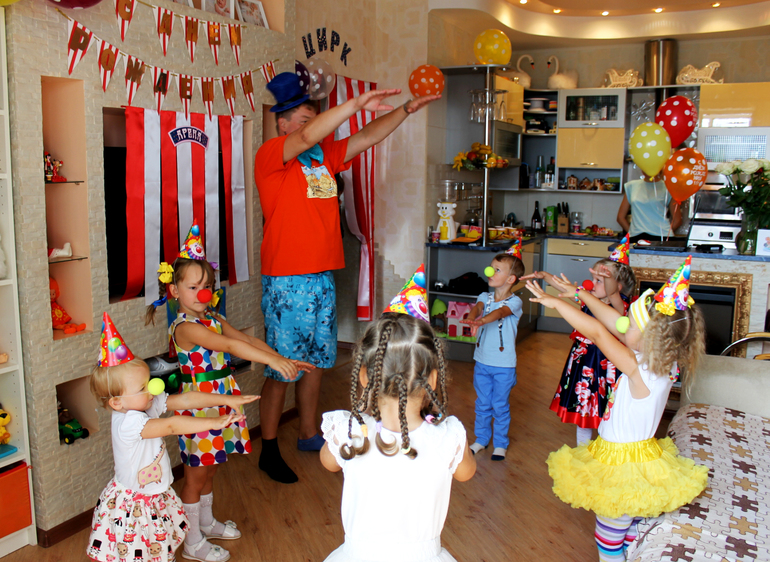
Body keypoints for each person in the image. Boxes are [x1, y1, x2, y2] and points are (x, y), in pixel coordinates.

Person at [253, 71, 440, 483]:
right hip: (287, 279)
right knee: (282, 368)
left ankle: (308, 434)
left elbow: (367, 137)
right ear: (283, 124)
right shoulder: (271, 155)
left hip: (321, 276)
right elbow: (306, 136)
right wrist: (353, 105)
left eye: (313, 119)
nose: (313, 128)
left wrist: (406, 110)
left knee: (317, 363)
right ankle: (268, 449)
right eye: (305, 120)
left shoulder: (323, 157)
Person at [145, 221, 314, 562]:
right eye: (193, 287)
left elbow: (244, 340)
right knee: (196, 474)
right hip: (198, 407)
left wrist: (281, 358)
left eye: (207, 286)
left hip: (221, 401)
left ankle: (206, 522)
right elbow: (228, 346)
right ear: (174, 290)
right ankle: (192, 541)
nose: (202, 293)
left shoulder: (211, 317)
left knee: (212, 466)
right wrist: (274, 362)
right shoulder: (186, 328)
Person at [526, 255, 709, 562]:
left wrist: (557, 304)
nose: (624, 324)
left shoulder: (639, 369)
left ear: (649, 338)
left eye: (632, 324)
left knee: (608, 540)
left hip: (620, 467)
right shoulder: (665, 363)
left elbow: (599, 332)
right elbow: (613, 322)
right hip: (644, 460)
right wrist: (579, 293)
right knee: (630, 530)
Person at [87, 313, 257, 562]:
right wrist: (213, 422)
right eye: (142, 387)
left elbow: (186, 399)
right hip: (134, 505)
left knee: (155, 548)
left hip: (153, 494)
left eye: (148, 381)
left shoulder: (143, 404)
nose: (152, 388)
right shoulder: (128, 423)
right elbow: (171, 425)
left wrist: (227, 399)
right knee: (135, 551)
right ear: (116, 402)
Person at [319, 311, 476, 562]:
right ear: (432, 380)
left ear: (364, 377)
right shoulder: (448, 436)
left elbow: (328, 461)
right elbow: (466, 472)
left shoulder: (350, 430)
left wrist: (362, 413)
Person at [522, 235, 637, 445]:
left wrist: (609, 280)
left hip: (605, 367)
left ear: (617, 286)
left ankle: (605, 450)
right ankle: (582, 452)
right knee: (583, 412)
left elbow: (612, 295)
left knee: (606, 411)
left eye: (599, 280)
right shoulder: (588, 298)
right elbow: (563, 288)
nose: (591, 283)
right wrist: (544, 276)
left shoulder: (619, 305)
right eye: (593, 278)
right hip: (584, 363)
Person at [460, 241, 524, 461]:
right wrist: (472, 317)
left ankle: (501, 444)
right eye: (491, 267)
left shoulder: (515, 302)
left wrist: (482, 321)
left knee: (500, 405)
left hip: (504, 366)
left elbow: (500, 313)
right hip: (482, 362)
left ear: (511, 279)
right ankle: (481, 439)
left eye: (497, 270)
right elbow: (477, 308)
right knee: (482, 403)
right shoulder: (484, 297)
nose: (490, 272)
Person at [616, 172, 683, 243]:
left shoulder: (669, 187)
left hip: (662, 237)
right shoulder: (631, 186)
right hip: (636, 237)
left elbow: (677, 220)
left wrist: (666, 233)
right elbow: (620, 217)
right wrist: (632, 232)